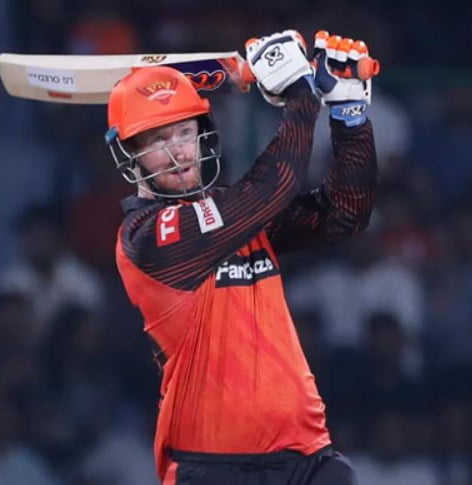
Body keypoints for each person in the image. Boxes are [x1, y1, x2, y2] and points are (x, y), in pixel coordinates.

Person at [108, 29, 378, 485]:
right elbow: (275, 185)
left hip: (307, 456)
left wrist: (349, 118)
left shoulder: (238, 211)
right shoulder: (146, 236)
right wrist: (300, 94)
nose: (177, 152)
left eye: (184, 132)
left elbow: (344, 215)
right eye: (157, 140)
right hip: (212, 467)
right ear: (130, 156)